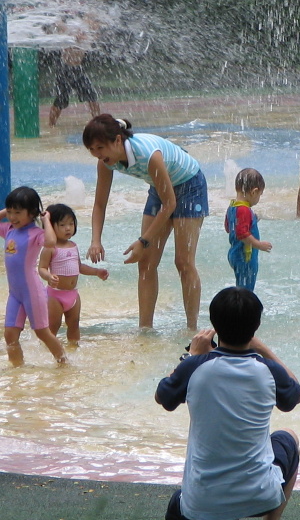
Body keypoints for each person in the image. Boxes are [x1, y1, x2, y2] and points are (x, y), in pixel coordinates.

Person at [155, 287, 300, 520]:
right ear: (256, 325)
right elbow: (294, 395)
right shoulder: (268, 370)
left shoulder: (195, 367)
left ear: (214, 325)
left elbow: (163, 397)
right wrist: (262, 348)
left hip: (199, 505)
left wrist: (192, 356)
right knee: (289, 437)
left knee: (180, 516)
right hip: (260, 497)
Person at [82, 115, 208, 330]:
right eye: (92, 150)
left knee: (183, 262)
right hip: (160, 188)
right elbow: (99, 204)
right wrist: (95, 240)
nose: (97, 154)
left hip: (190, 186)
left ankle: (191, 329)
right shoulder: (105, 163)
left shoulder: (148, 156)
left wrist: (143, 240)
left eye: (100, 148)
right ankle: (145, 330)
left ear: (118, 140)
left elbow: (170, 204)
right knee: (146, 262)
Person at [0, 187, 69, 366]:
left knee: (42, 332)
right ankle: (17, 370)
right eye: (10, 212)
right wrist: (6, 211)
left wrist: (46, 220)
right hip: (15, 294)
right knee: (10, 335)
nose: (12, 217)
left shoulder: (36, 234)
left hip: (32, 292)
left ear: (32, 213)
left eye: (18, 212)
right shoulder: (8, 230)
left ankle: (64, 363)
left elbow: (51, 242)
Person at [38, 203, 109, 348]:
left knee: (74, 324)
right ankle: (48, 351)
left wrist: (96, 272)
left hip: (73, 294)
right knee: (54, 325)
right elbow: (42, 268)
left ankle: (74, 349)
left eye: (71, 224)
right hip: (55, 295)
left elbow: (79, 267)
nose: (68, 228)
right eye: (62, 225)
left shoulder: (73, 245)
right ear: (50, 227)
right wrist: (49, 276)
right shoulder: (50, 248)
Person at [45, 12, 102, 126]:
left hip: (78, 69)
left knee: (92, 96)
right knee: (62, 99)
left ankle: (98, 123)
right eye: (93, 21)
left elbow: (95, 33)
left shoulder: (89, 34)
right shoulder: (68, 30)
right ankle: (51, 125)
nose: (95, 24)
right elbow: (57, 23)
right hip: (65, 68)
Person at [225, 168, 272, 290]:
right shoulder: (244, 210)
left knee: (241, 284)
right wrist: (259, 245)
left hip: (235, 253)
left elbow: (229, 227)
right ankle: (243, 302)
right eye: (260, 195)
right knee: (246, 289)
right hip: (245, 256)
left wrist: (252, 220)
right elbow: (242, 233)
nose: (258, 198)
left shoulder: (232, 206)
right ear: (254, 192)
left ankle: (240, 299)